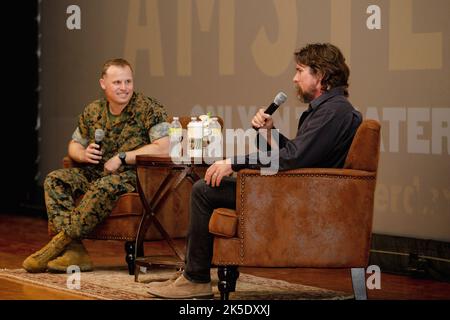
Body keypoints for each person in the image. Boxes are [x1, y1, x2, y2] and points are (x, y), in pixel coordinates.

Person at [147, 43, 363, 299]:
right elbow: (299, 154)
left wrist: (234, 162)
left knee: (205, 190)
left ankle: (195, 278)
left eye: (300, 71)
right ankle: (192, 274)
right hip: (298, 190)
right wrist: (269, 133)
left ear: (321, 74)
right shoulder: (330, 109)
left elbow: (293, 159)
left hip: (302, 199)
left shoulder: (334, 111)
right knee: (208, 188)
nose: (294, 78)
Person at [23, 58, 170, 273]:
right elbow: (73, 144)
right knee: (55, 179)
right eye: (117, 82)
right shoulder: (93, 110)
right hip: (96, 172)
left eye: (128, 82)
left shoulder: (149, 108)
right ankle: (75, 251)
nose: (124, 88)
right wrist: (83, 154)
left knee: (104, 186)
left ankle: (57, 244)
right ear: (103, 84)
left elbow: (164, 147)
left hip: (133, 177)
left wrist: (122, 157)